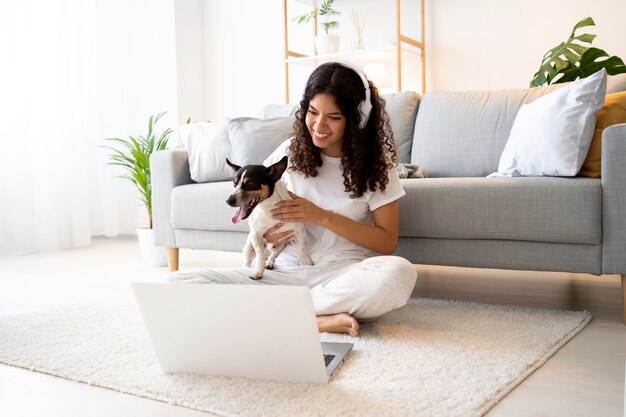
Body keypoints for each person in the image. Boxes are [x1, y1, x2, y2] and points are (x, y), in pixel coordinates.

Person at [169, 62, 417, 336]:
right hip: (280, 273)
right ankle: (314, 317)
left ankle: (272, 312)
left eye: (333, 117)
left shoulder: (377, 165)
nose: (319, 125)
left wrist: (320, 216)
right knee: (179, 282)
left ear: (356, 119)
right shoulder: (290, 151)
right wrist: (268, 234)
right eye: (312, 112)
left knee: (399, 273)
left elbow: (386, 242)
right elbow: (258, 206)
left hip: (340, 274)